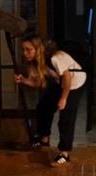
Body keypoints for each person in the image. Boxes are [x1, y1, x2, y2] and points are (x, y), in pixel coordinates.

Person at [13, 35, 86, 166]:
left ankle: (65, 153)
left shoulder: (54, 58)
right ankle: (44, 138)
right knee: (44, 106)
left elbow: (68, 78)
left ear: (37, 49)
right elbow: (39, 83)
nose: (25, 53)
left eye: (28, 49)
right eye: (23, 49)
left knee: (66, 116)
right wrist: (23, 80)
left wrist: (63, 99)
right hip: (61, 82)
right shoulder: (37, 62)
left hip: (75, 82)